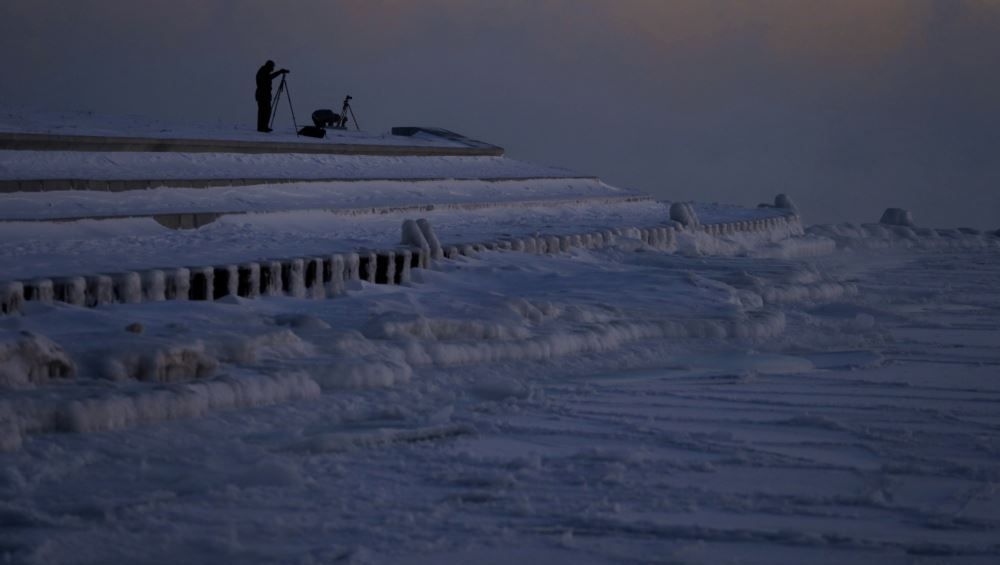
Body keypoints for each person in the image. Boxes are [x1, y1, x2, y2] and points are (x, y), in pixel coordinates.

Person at [255, 60, 289, 132]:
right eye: (272, 67)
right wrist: (279, 72)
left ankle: (264, 127)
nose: (272, 69)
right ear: (269, 66)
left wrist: (280, 72)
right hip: (262, 95)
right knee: (264, 111)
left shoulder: (263, 71)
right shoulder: (263, 72)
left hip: (264, 95)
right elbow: (269, 77)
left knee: (265, 111)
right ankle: (262, 128)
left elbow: (269, 77)